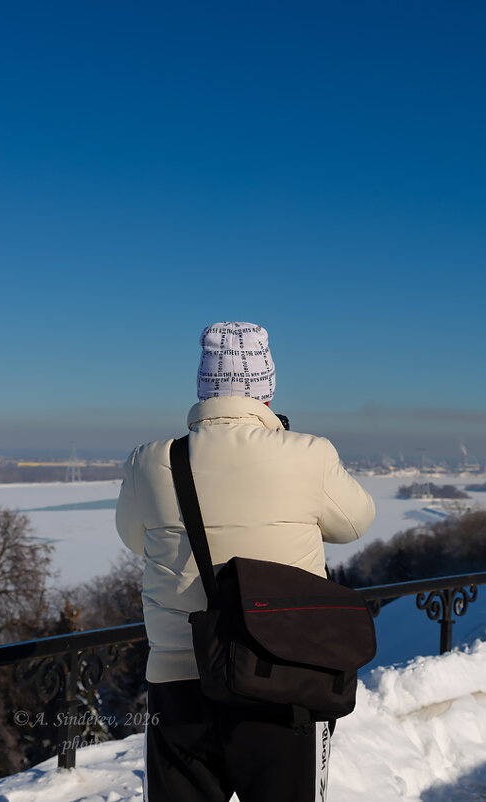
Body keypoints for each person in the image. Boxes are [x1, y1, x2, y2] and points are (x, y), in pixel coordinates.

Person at [116, 321, 375, 802]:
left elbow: (135, 539)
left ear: (203, 388)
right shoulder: (309, 454)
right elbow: (356, 523)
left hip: (179, 681)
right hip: (283, 678)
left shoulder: (149, 460)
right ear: (266, 390)